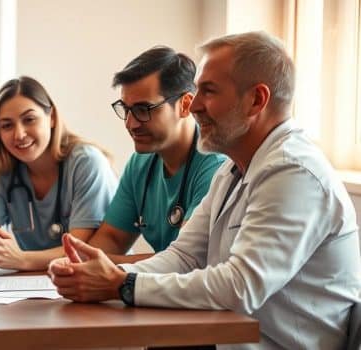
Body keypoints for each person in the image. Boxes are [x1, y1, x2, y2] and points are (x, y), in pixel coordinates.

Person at [49, 31, 361, 350]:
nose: (194, 105)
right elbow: (185, 256)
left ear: (257, 99)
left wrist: (123, 284)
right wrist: (106, 276)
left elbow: (241, 287)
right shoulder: (233, 167)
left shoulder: (293, 171)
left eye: (207, 91)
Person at [0, 76, 118, 271]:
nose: (19, 134)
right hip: (35, 285)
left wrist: (23, 259)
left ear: (52, 117)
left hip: (97, 281)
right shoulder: (2, 173)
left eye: (29, 119)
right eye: (7, 125)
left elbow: (81, 251)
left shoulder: (87, 163)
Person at [88, 46, 224, 263]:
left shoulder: (216, 165)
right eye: (126, 109)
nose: (130, 124)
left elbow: (184, 261)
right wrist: (81, 263)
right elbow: (111, 240)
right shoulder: (140, 163)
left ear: (185, 105)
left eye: (144, 110)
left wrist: (104, 264)